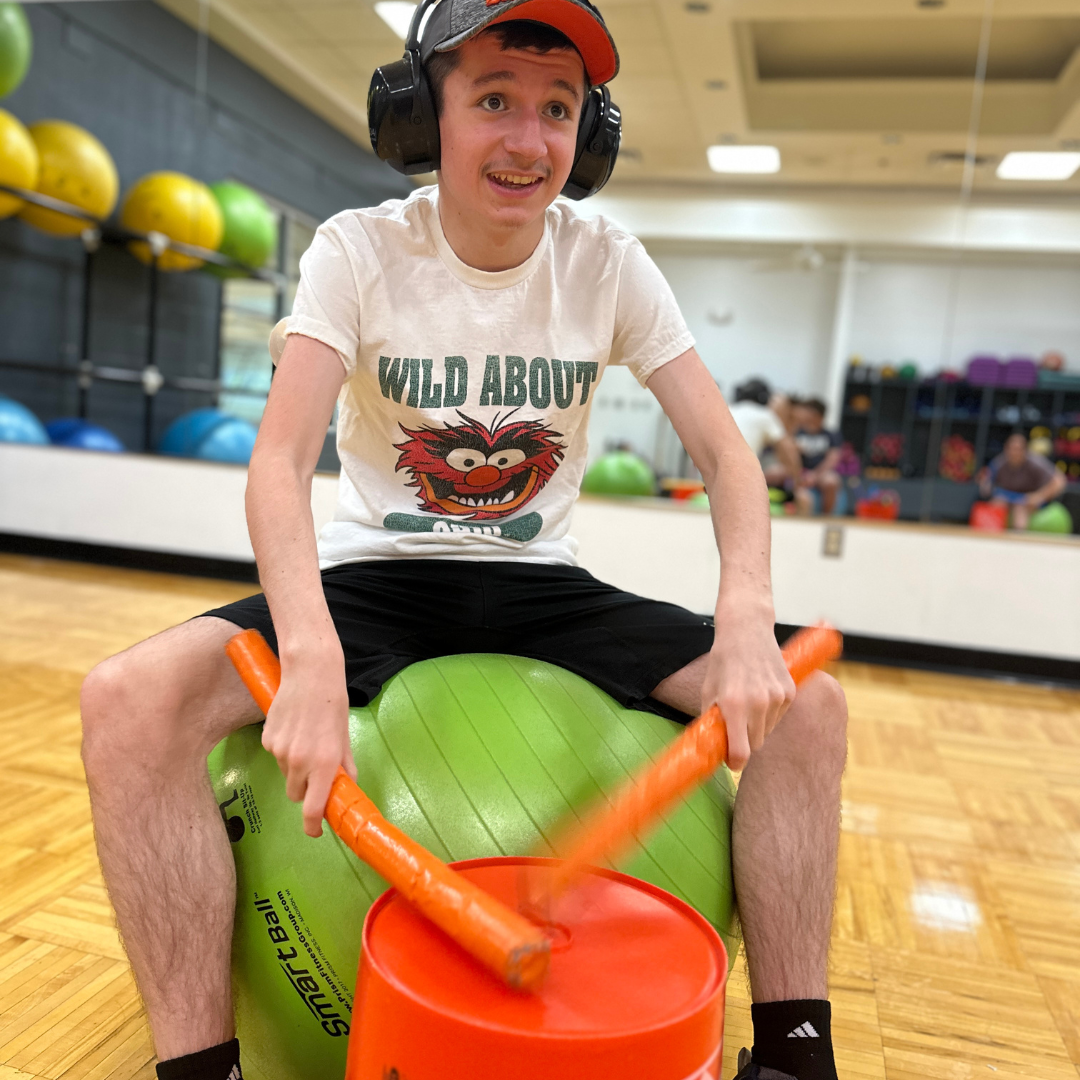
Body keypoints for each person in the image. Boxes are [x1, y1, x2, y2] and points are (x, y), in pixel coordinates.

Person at [80, 4, 848, 1080]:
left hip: (543, 586)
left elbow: (729, 457)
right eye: (494, 99)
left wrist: (747, 619)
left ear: (591, 136)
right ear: (420, 112)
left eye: (557, 109)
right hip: (377, 583)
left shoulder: (607, 263)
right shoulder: (358, 251)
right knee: (125, 704)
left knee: (808, 708)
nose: (527, 140)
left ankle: (794, 1054)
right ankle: (202, 1070)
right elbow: (276, 462)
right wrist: (306, 652)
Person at [978, 432, 1066, 530]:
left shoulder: (1036, 462)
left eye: (1017, 449)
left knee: (1020, 509)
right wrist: (984, 482)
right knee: (996, 504)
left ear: (1025, 450)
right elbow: (986, 489)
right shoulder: (998, 463)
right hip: (1007, 497)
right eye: (1011, 449)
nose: (1014, 453)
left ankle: (1018, 538)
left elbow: (1059, 480)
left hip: (1029, 499)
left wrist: (1040, 496)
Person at [729, 377, 802, 487]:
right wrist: (797, 481)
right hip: (741, 476)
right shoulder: (765, 415)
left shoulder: (729, 409)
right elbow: (788, 451)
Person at [792, 398, 843, 516]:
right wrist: (798, 474)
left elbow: (832, 459)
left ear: (816, 415)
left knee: (832, 481)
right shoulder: (797, 432)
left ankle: (826, 517)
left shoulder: (831, 435)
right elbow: (789, 456)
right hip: (798, 472)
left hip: (820, 473)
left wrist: (815, 475)